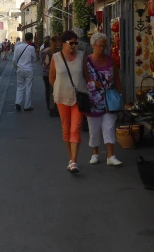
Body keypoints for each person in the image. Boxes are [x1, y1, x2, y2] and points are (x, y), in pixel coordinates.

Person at [49, 29, 88, 174]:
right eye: (71, 43)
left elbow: (86, 75)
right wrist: (61, 88)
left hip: (79, 98)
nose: (74, 46)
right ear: (63, 43)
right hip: (61, 97)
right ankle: (71, 158)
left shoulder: (81, 57)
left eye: (75, 43)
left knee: (76, 127)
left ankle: (74, 161)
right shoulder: (56, 57)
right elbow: (52, 79)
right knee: (66, 128)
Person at [83, 32, 123, 166]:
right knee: (94, 129)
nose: (102, 49)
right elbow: (83, 79)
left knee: (109, 127)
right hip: (93, 100)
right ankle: (95, 154)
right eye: (100, 46)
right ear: (93, 46)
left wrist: (120, 94)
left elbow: (117, 77)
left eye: (104, 46)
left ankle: (111, 156)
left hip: (109, 99)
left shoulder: (110, 60)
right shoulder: (87, 61)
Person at [12, 31, 37, 111]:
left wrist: (17, 67)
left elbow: (14, 60)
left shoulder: (18, 47)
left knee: (20, 86)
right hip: (28, 69)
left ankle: (18, 102)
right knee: (28, 87)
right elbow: (35, 58)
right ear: (31, 39)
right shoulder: (31, 48)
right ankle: (27, 105)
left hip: (19, 69)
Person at [40, 36, 51, 111]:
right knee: (52, 89)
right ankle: (52, 105)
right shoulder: (52, 51)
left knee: (47, 89)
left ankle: (48, 104)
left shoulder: (42, 51)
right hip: (51, 71)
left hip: (44, 72)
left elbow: (41, 62)